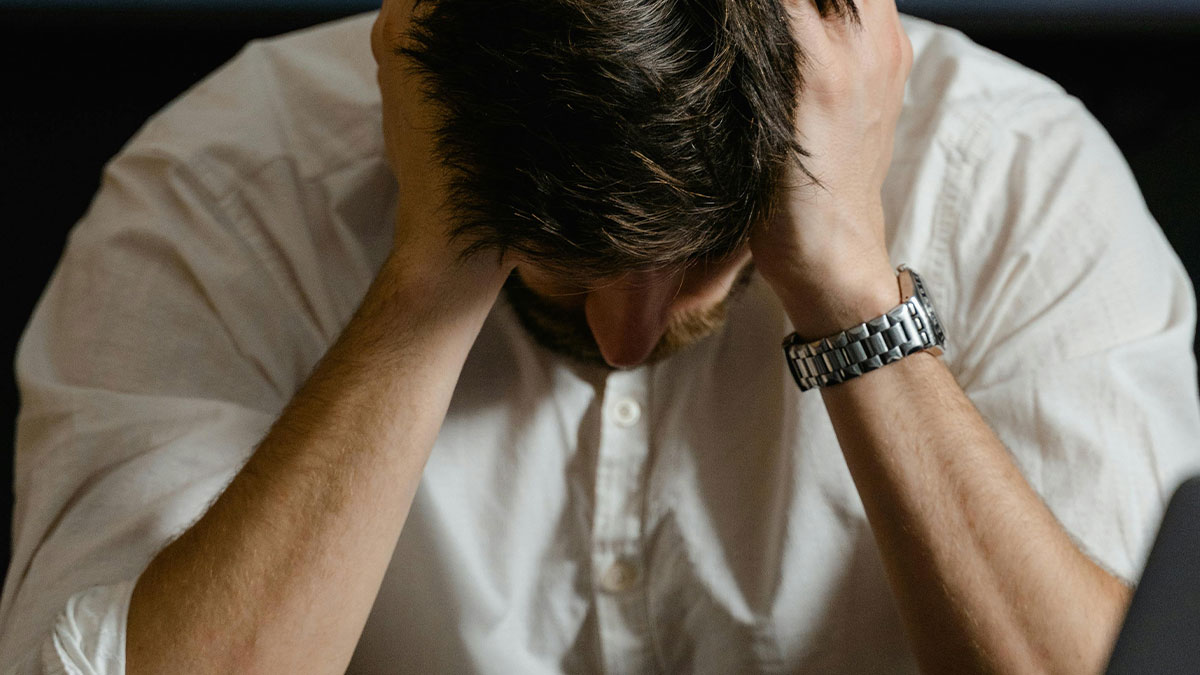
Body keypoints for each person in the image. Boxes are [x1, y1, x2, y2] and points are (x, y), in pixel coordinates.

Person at [2, 0, 1198, 672]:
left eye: (715, 258)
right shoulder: (222, 188)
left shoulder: (1019, 177)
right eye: (562, 270)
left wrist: (846, 290)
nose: (625, 342)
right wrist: (432, 274)